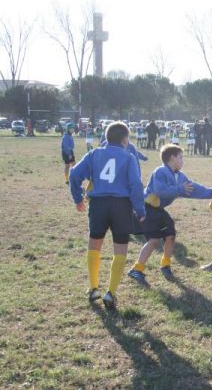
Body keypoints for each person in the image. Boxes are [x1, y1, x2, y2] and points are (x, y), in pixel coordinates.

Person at [69, 122, 146, 310]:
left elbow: (74, 174)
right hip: (121, 205)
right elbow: (136, 185)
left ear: (105, 137)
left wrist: (78, 198)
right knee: (120, 249)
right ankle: (110, 293)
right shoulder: (128, 157)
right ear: (125, 140)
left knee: (94, 244)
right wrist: (140, 209)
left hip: (98, 205)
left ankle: (93, 287)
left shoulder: (94, 153)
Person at [127, 144, 212, 286]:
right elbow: (160, 190)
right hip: (146, 209)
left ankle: (165, 264)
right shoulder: (160, 171)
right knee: (154, 240)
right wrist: (179, 189)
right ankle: (137, 269)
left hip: (158, 210)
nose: (182, 161)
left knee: (170, 234)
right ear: (172, 158)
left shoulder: (179, 176)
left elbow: (193, 188)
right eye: (181, 157)